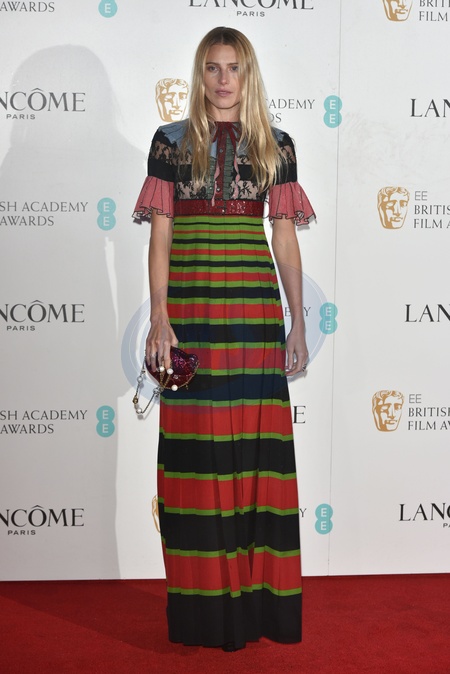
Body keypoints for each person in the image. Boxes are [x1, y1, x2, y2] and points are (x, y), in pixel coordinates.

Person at [133, 26, 315, 651]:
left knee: (255, 454)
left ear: (248, 74)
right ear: (200, 74)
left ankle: (260, 606)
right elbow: (160, 232)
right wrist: (160, 314)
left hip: (252, 313)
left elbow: (284, 237)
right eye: (212, 67)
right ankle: (205, 611)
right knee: (198, 456)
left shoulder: (277, 145)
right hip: (191, 311)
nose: (222, 79)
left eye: (233, 67)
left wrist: (297, 319)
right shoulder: (170, 142)